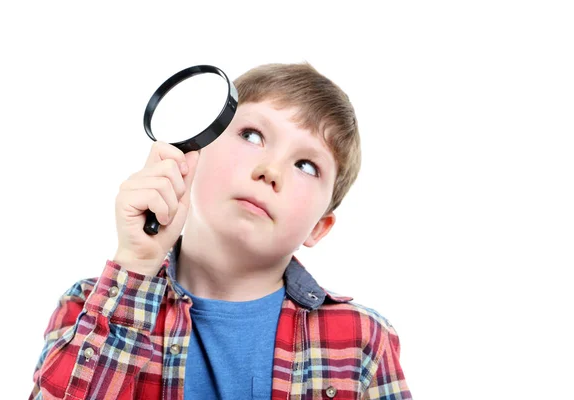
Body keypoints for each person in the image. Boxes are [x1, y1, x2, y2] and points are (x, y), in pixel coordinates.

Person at [29, 63, 412, 400]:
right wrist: (134, 267)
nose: (270, 171)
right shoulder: (90, 307)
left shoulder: (362, 339)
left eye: (307, 165)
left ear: (319, 227)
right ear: (195, 152)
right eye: (252, 136)